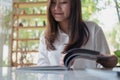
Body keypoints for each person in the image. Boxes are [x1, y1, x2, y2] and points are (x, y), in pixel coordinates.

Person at [38, 0, 118, 69]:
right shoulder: (45, 36)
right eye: (53, 3)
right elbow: (42, 72)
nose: (56, 8)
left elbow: (105, 67)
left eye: (63, 2)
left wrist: (108, 60)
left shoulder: (94, 30)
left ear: (74, 4)